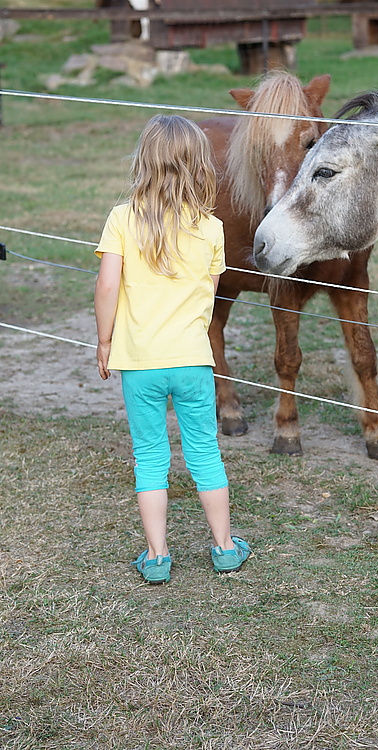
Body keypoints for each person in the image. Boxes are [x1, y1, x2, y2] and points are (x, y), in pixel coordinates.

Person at [94, 114, 251, 584]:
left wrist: (104, 341)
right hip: (192, 360)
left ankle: (157, 556)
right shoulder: (212, 228)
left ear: (143, 162)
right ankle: (224, 547)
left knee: (150, 457)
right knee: (205, 452)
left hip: (138, 362)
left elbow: (106, 288)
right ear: (200, 166)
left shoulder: (121, 219)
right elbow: (209, 290)